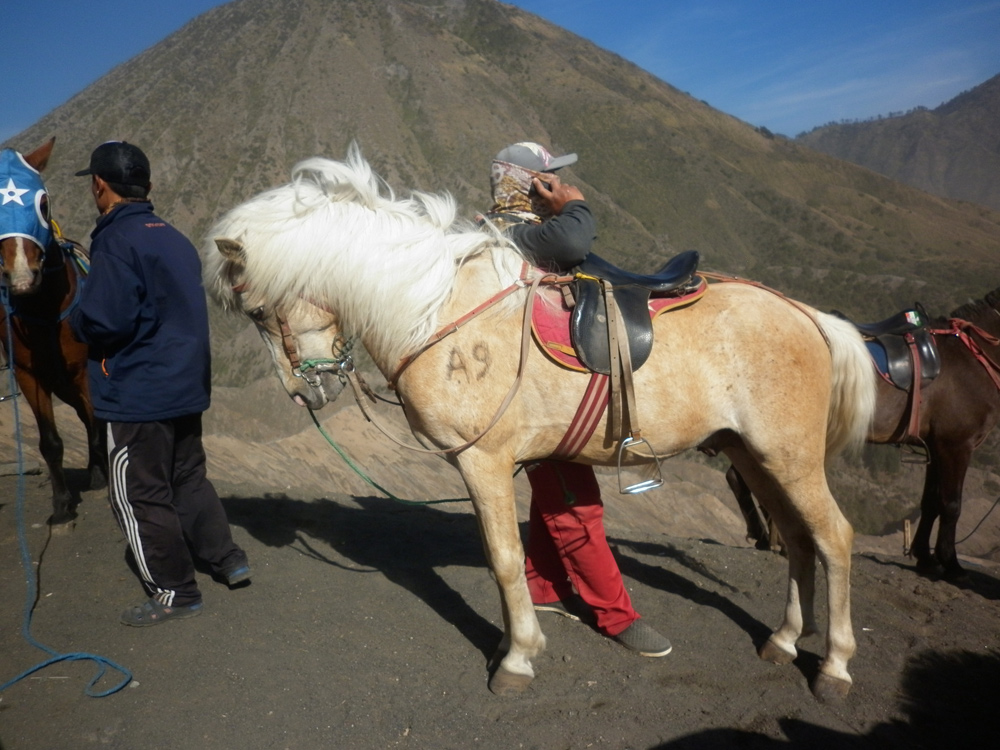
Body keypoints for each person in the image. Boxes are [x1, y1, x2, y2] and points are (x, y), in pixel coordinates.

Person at [481, 142, 672, 657]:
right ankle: (616, 616)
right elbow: (574, 239)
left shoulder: (516, 230)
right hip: (536, 403)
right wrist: (575, 203)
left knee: (558, 494)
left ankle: (542, 586)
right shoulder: (513, 231)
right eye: (549, 179)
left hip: (543, 393)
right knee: (575, 506)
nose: (559, 185)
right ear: (529, 185)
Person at [70, 141, 250, 627]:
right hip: (184, 384)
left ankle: (175, 591)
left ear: (99, 186)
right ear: (147, 187)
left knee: (138, 492)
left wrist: (76, 320)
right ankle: (227, 559)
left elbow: (106, 321)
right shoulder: (173, 236)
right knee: (187, 476)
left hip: (136, 391)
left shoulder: (114, 240)